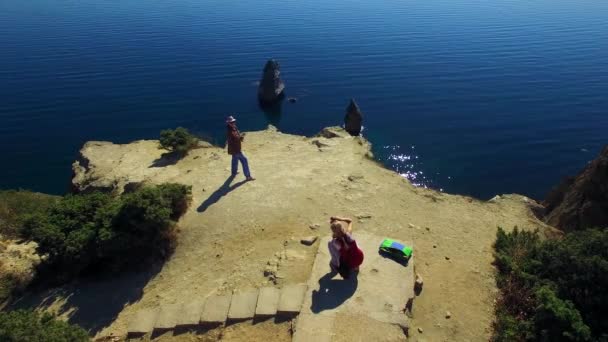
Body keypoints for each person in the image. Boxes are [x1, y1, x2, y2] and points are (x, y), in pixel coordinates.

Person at [226, 115, 254, 181]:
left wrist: (240, 136)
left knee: (234, 159)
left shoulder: (233, 128)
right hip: (236, 149)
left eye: (233, 121)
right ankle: (248, 176)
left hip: (234, 149)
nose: (233, 123)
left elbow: (236, 136)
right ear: (229, 123)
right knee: (244, 160)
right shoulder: (230, 131)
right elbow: (235, 138)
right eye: (232, 122)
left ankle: (234, 172)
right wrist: (241, 137)